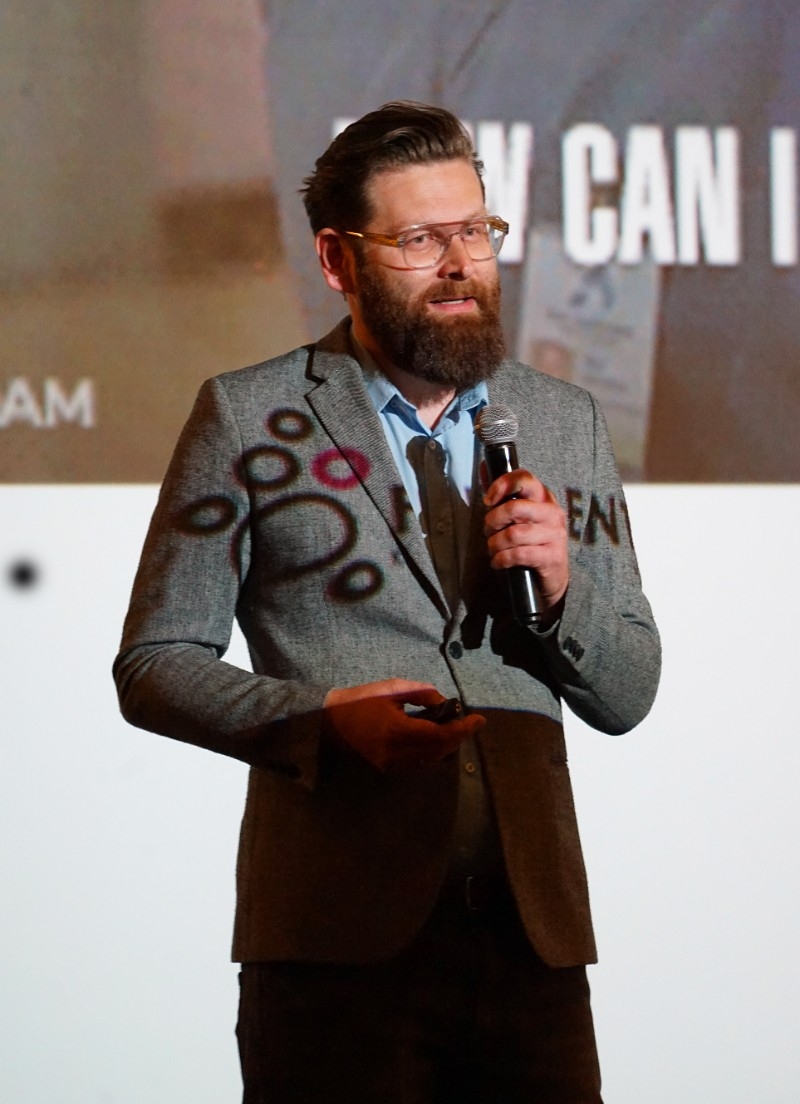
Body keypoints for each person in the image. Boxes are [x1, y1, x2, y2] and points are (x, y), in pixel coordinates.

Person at [114, 100, 661, 1103]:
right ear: (337, 260)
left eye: (475, 232)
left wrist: (561, 587)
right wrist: (320, 721)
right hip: (333, 949)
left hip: (531, 949)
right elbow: (155, 664)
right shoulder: (249, 413)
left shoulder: (561, 420)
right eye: (419, 239)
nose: (459, 264)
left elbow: (627, 690)